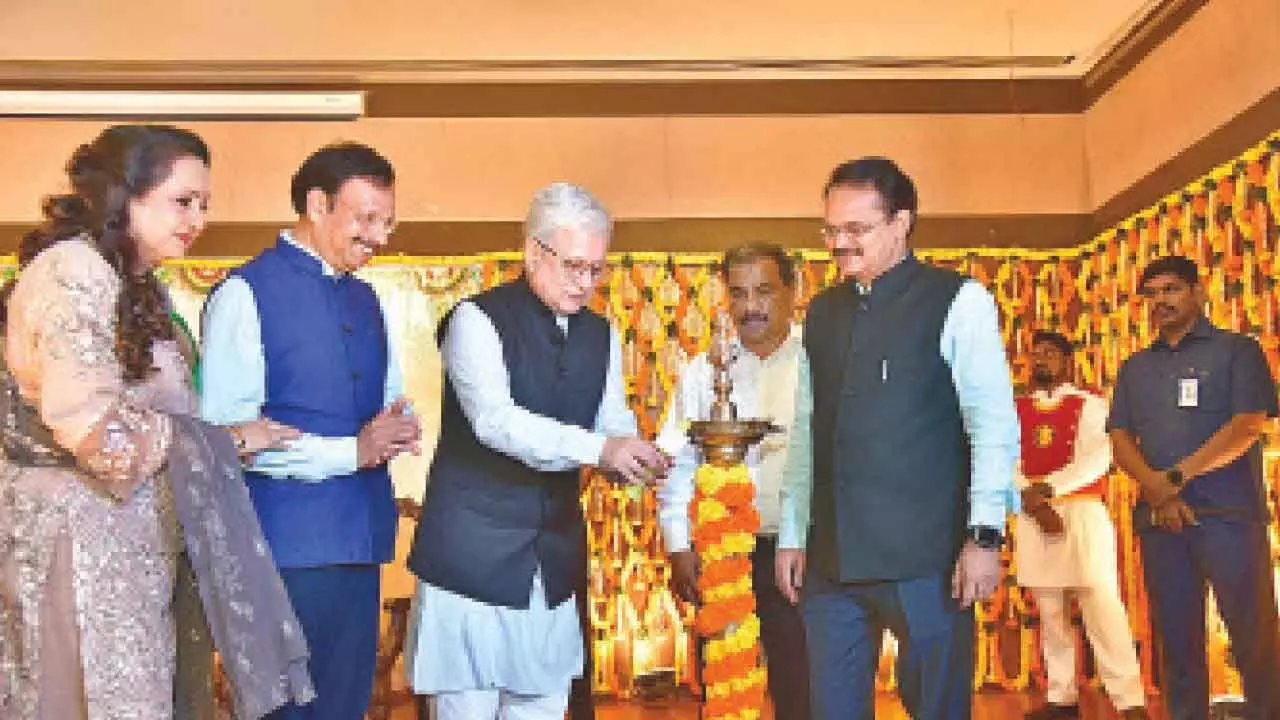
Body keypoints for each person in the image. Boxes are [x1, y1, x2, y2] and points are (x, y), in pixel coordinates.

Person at [0, 124, 310, 720]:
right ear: (125, 197)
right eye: (182, 201)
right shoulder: (72, 272)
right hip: (79, 545)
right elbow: (102, 439)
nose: (196, 219)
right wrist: (225, 441)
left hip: (131, 547)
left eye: (204, 205)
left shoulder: (136, 283)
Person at [403, 182, 670, 720]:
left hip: (551, 561)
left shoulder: (601, 333)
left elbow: (610, 416)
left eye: (597, 269)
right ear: (532, 252)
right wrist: (600, 449)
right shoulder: (475, 320)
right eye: (574, 265)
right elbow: (496, 423)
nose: (586, 282)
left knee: (544, 706)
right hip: (470, 560)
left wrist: (633, 457)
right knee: (467, 706)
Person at [775, 156, 1019, 720]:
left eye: (855, 230)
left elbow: (993, 426)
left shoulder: (959, 300)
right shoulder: (822, 313)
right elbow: (809, 429)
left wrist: (985, 537)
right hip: (832, 564)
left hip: (928, 562)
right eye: (831, 230)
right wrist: (793, 532)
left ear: (902, 223)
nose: (839, 244)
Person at [200, 141, 421, 719]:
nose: (380, 236)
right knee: (286, 711)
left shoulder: (368, 299)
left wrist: (398, 429)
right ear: (317, 204)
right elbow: (229, 438)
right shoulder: (243, 294)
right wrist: (354, 451)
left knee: (345, 707)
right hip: (281, 548)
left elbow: (389, 403)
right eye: (366, 218)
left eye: (388, 222)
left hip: (361, 541)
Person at [1107, 255, 1280, 720]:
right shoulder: (1135, 367)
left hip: (1229, 517)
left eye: (1171, 289)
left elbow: (1247, 426)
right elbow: (1120, 438)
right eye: (1152, 294)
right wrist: (1158, 491)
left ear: (1198, 293)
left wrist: (1177, 478)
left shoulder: (1237, 351)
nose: (1160, 300)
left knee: (1254, 637)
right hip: (1161, 522)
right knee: (1176, 642)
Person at [656, 242, 810, 719]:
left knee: (801, 685)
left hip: (801, 553)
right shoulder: (705, 373)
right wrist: (679, 544)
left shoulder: (819, 363)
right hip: (724, 553)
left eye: (764, 291)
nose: (751, 307)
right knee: (724, 684)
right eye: (739, 294)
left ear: (793, 290)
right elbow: (676, 463)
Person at [1014, 330, 1147, 719]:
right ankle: (1061, 698)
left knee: (1102, 607)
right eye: (1035, 354)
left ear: (1067, 361)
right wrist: (1030, 498)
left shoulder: (1091, 405)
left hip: (1082, 511)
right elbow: (1003, 459)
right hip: (1033, 516)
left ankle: (1129, 700)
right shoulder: (1015, 408)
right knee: (1050, 612)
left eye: (1050, 354)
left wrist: (1048, 490)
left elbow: (1098, 458)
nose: (1041, 360)